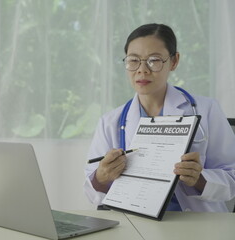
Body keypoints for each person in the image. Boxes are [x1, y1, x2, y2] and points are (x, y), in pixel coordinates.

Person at [84, 23, 235, 212]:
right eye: (133, 60)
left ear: (174, 61)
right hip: (135, 222)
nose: (142, 70)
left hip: (196, 224)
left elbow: (232, 178)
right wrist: (102, 176)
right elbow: (92, 192)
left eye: (154, 60)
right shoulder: (110, 122)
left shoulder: (207, 110)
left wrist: (200, 179)